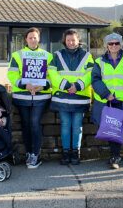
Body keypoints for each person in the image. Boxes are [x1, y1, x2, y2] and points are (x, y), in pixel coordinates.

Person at [92, 33, 123, 169]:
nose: (114, 46)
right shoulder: (99, 62)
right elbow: (95, 80)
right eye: (111, 43)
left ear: (121, 45)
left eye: (116, 43)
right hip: (106, 100)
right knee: (110, 128)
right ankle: (115, 155)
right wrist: (106, 94)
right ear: (106, 46)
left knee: (118, 129)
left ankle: (115, 155)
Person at [7, 27, 53, 169]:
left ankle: (35, 154)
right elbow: (12, 75)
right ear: (26, 39)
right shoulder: (17, 55)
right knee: (26, 125)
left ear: (39, 39)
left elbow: (52, 76)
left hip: (41, 96)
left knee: (34, 123)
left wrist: (42, 86)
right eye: (30, 37)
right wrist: (25, 85)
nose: (33, 40)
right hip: (22, 95)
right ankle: (28, 152)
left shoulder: (48, 55)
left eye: (35, 37)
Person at [48, 29, 94, 165]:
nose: (71, 42)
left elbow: (91, 73)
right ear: (65, 41)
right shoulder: (56, 55)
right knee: (66, 125)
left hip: (79, 97)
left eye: (73, 40)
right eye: (68, 40)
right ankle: (66, 152)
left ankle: (75, 153)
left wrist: (78, 86)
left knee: (77, 126)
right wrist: (67, 85)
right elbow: (52, 73)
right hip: (63, 97)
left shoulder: (87, 55)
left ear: (78, 41)